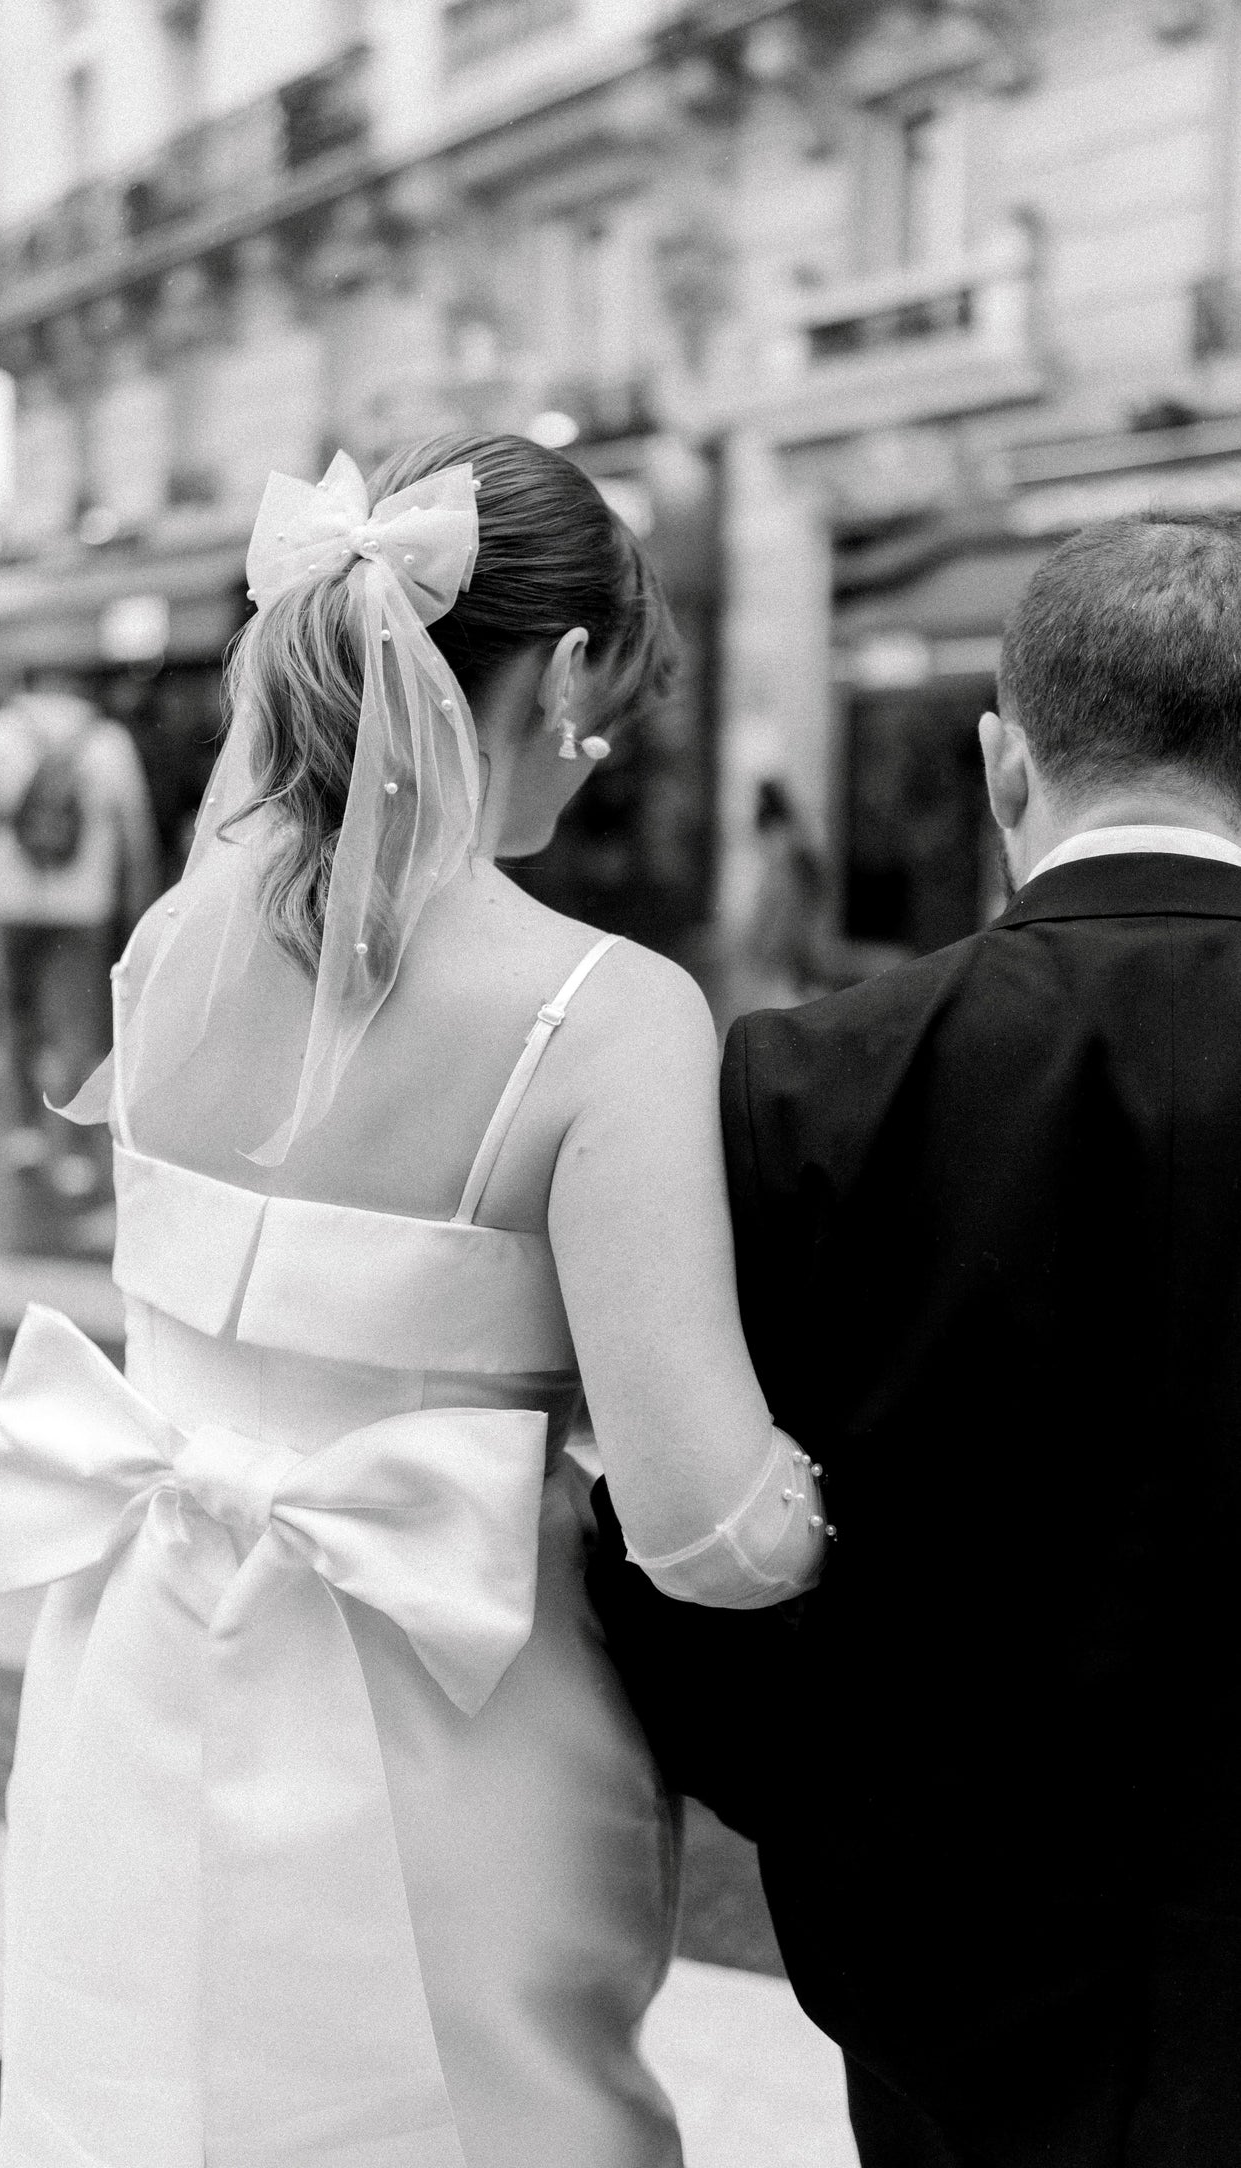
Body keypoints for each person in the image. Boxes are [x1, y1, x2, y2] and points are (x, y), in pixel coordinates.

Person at [0, 436, 834, 2168]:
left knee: (151, 2100)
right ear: (571, 669)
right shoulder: (603, 1014)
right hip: (458, 1729)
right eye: (613, 717)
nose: (594, 764)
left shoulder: (172, 948)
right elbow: (699, 1521)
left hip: (130, 1678)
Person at [589, 512, 1241, 2167]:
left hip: (950, 1934)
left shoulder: (805, 1077)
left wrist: (823, 1812)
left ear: (999, 762)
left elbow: (676, 1538)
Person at [0, 669, 159, 1194]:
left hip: (8, 902)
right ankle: (78, 1155)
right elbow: (137, 833)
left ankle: (25, 1134)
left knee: (16, 1016)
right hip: (84, 908)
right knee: (78, 1029)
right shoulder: (108, 741)